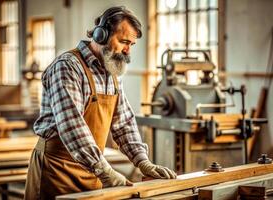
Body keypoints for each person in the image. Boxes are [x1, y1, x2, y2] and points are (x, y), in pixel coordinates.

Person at [24, 6, 177, 200]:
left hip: (92, 169)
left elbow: (124, 123)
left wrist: (142, 162)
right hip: (56, 171)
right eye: (123, 42)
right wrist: (105, 171)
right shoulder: (67, 68)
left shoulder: (111, 72)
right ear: (101, 35)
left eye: (131, 44)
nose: (127, 50)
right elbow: (72, 127)